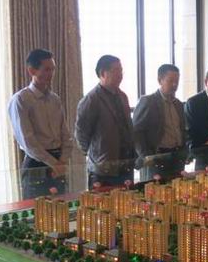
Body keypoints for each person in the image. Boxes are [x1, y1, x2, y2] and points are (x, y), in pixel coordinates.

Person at [8, 49, 74, 199]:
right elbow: (28, 141)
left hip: (58, 160)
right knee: (37, 210)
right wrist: (54, 163)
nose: (51, 74)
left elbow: (65, 134)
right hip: (36, 163)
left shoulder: (55, 99)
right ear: (32, 70)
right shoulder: (21, 99)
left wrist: (62, 161)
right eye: (46, 69)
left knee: (61, 208)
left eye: (53, 69)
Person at [75, 55, 135, 187]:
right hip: (103, 169)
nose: (120, 74)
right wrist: (97, 154)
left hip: (125, 164)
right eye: (116, 70)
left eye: (121, 70)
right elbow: (81, 134)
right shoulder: (91, 99)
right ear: (102, 73)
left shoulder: (122, 96)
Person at [132, 64, 188, 181]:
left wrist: (185, 152)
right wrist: (146, 156)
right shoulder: (148, 101)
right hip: (157, 158)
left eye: (177, 81)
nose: (174, 85)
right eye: (170, 81)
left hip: (177, 157)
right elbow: (136, 132)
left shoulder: (178, 104)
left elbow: (182, 130)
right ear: (160, 80)